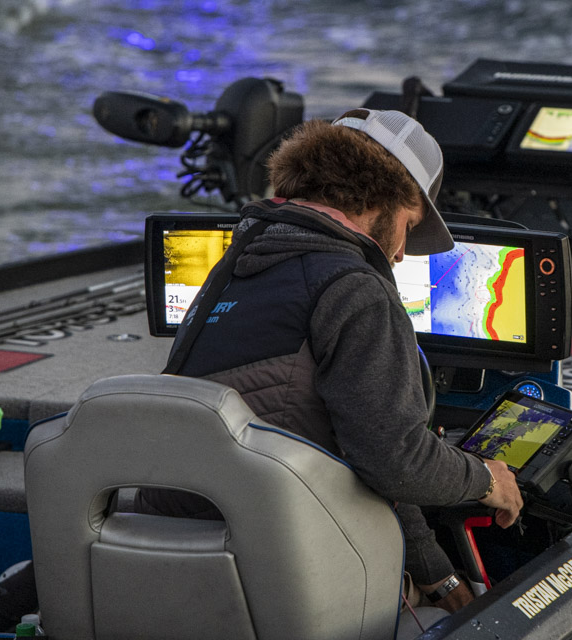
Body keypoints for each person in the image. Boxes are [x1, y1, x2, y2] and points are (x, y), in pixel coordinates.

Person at [141, 108, 524, 611]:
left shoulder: (233, 268)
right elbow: (397, 461)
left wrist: (437, 575)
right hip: (280, 574)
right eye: (409, 226)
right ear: (386, 196)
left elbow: (363, 449)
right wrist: (487, 479)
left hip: (180, 552)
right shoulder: (356, 290)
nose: (401, 254)